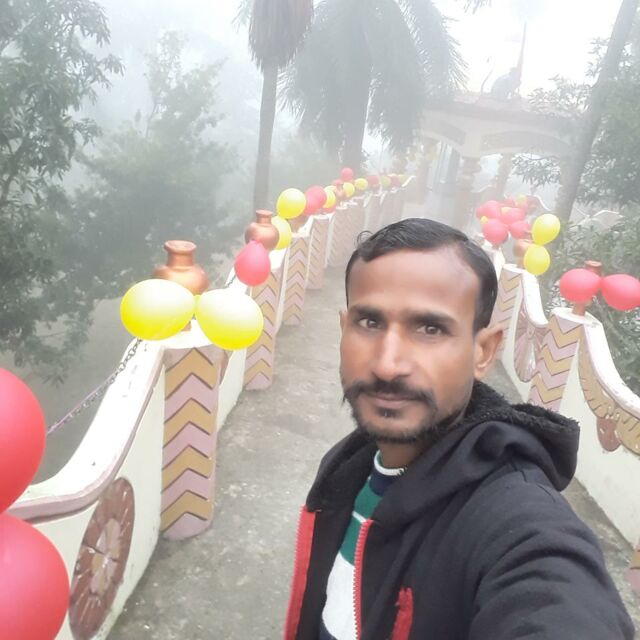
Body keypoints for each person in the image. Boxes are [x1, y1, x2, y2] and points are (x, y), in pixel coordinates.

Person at [283, 218, 633, 640]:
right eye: (370, 323)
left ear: (483, 352)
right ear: (343, 330)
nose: (387, 364)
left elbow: (558, 601)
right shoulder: (346, 470)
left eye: (430, 328)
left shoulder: (513, 517)